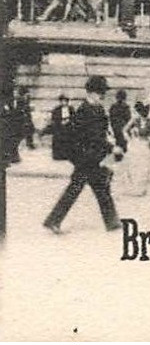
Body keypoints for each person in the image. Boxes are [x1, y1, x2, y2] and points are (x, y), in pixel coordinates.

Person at [43, 75, 120, 234]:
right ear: (91, 93)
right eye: (101, 93)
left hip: (92, 158)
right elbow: (93, 137)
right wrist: (111, 147)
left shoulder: (96, 109)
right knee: (78, 189)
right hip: (86, 159)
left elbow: (100, 133)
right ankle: (53, 220)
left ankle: (112, 222)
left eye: (103, 93)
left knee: (101, 189)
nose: (103, 96)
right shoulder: (84, 111)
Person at [119, 100, 150, 197]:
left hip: (145, 146)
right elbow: (124, 130)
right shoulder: (134, 121)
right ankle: (134, 188)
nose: (144, 113)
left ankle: (142, 188)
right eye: (142, 111)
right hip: (135, 145)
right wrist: (129, 139)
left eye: (145, 111)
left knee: (144, 167)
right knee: (134, 166)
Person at [47, 94, 73, 161]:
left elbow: (74, 118)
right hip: (59, 127)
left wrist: (68, 121)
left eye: (65, 101)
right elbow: (54, 119)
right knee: (58, 138)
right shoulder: (56, 109)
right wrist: (60, 121)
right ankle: (58, 155)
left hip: (68, 127)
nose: (64, 103)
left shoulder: (71, 109)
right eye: (62, 101)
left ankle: (67, 155)